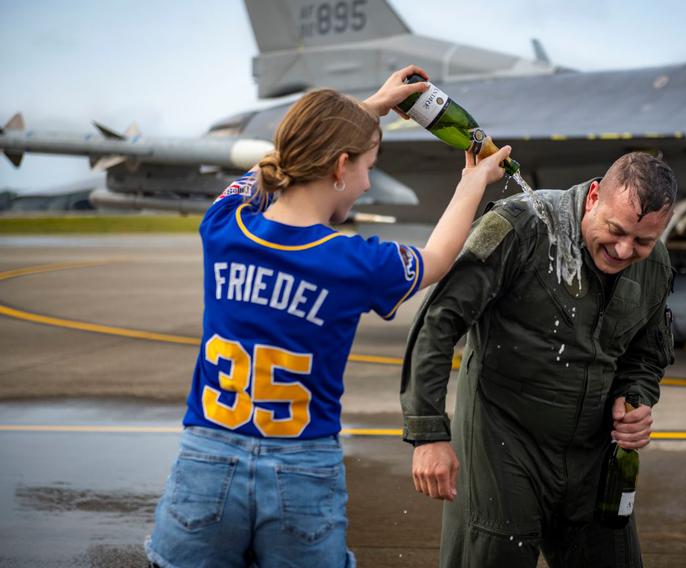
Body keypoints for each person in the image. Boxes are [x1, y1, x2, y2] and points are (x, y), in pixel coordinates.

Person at [145, 65, 512, 568]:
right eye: (367, 166)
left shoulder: (223, 226)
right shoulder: (353, 263)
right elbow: (438, 258)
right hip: (300, 469)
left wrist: (366, 110)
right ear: (341, 167)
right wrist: (473, 182)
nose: (365, 184)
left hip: (208, 460)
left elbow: (264, 172)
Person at [400, 152, 678, 567]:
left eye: (642, 241)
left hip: (591, 455)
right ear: (594, 197)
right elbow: (438, 321)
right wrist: (428, 434)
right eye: (615, 231)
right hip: (502, 445)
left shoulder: (654, 265)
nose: (624, 250)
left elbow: (645, 353)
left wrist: (635, 398)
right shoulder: (522, 226)